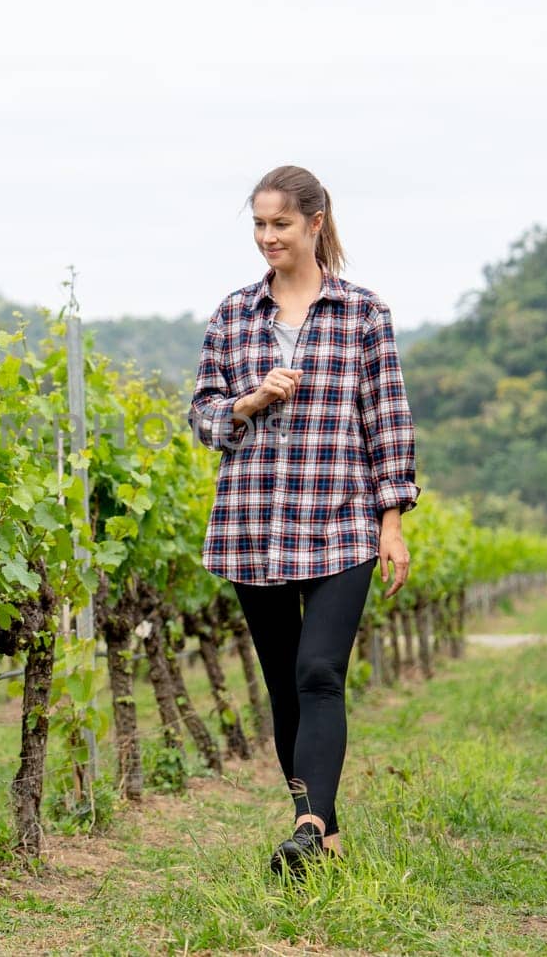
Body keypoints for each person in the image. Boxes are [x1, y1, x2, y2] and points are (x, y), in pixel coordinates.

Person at [186, 164, 418, 877]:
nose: (267, 237)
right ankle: (322, 833)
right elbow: (203, 419)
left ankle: (309, 823)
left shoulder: (362, 314)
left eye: (280, 224)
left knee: (320, 671)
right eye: (258, 224)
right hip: (252, 525)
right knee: (284, 685)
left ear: (315, 223)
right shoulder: (232, 315)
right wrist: (249, 402)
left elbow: (388, 422)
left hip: (342, 523)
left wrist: (393, 521)